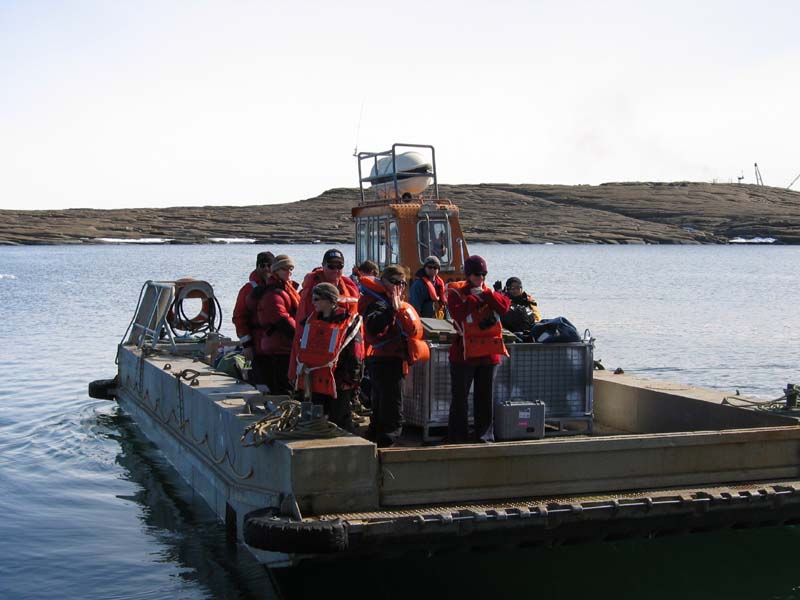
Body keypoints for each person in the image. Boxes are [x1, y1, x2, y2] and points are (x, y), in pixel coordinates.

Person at [358, 265, 426, 447]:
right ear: (384, 281)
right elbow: (374, 326)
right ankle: (389, 440)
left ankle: (378, 435)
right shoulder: (377, 302)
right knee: (392, 404)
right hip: (384, 359)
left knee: (382, 402)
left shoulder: (385, 300)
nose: (400, 286)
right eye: (395, 282)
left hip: (391, 359)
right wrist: (392, 311)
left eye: (403, 282)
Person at [446, 255, 510, 443]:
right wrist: (474, 298)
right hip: (463, 355)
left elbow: (505, 308)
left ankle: (484, 435)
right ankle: (458, 436)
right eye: (476, 274)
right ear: (468, 274)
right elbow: (457, 313)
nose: (480, 277)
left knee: (485, 398)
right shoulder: (456, 292)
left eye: (483, 274)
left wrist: (487, 295)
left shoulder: (490, 292)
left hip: (488, 355)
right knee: (460, 399)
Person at [290, 282, 364, 432]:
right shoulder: (310, 322)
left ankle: (349, 448)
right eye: (313, 298)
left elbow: (356, 353)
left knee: (340, 420)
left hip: (338, 380)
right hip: (314, 379)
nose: (313, 302)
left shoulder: (349, 323)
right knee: (314, 419)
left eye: (317, 299)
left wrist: (351, 380)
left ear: (330, 301)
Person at [251, 254, 300, 395]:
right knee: (283, 388)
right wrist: (300, 336)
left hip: (285, 347)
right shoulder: (273, 294)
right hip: (279, 348)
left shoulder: (287, 290)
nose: (289, 272)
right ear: (276, 271)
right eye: (284, 269)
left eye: (291, 268)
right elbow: (282, 319)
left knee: (287, 386)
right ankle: (281, 412)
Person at [232, 251, 273, 384]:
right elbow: (239, 317)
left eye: (269, 265)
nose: (266, 268)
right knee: (255, 378)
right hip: (255, 344)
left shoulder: (281, 286)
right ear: (257, 267)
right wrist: (247, 345)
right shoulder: (248, 289)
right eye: (262, 265)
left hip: (274, 345)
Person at [296, 248, 360, 324]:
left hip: (347, 332)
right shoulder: (313, 288)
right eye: (331, 266)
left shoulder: (350, 287)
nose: (336, 270)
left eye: (339, 266)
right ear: (323, 265)